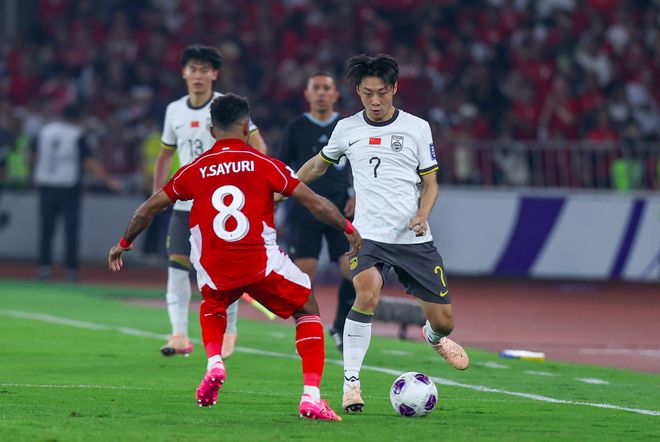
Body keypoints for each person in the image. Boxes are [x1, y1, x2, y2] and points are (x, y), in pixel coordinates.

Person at [109, 93, 360, 420]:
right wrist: (347, 227)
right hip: (260, 265)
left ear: (212, 131)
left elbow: (148, 209)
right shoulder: (266, 165)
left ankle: (214, 363)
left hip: (215, 267)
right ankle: (311, 396)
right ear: (246, 128)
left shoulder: (193, 169)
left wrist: (124, 242)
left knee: (213, 304)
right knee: (307, 309)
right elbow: (315, 202)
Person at [294, 54, 470, 414]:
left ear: (394, 88)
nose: (374, 101)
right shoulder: (346, 129)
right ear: (358, 92)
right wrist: (285, 186)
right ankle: (351, 385)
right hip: (368, 237)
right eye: (367, 93)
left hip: (412, 239)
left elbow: (431, 183)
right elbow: (317, 165)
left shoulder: (417, 128)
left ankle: (432, 336)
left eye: (381, 93)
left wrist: (422, 214)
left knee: (445, 322)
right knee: (366, 293)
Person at [153, 45, 268, 358]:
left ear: (215, 74)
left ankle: (229, 331)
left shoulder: (226, 106)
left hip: (222, 204)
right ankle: (178, 334)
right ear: (184, 73)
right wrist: (157, 194)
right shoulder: (174, 110)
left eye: (205, 69)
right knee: (177, 266)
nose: (198, 75)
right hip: (184, 204)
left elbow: (257, 143)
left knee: (225, 273)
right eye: (193, 69)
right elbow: (165, 155)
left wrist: (254, 182)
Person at [277, 72, 356, 352]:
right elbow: (282, 166)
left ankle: (339, 325)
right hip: (305, 209)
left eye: (326, 88)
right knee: (304, 274)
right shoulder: (296, 127)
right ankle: (309, 328)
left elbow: (361, 163)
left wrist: (356, 192)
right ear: (308, 95)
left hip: (340, 210)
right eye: (316, 88)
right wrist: (278, 196)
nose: (321, 93)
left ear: (335, 95)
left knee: (353, 271)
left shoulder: (346, 126)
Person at [32, 102, 122, 282]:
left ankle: (44, 268)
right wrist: (109, 182)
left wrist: (34, 174)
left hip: (46, 185)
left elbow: (32, 156)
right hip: (68, 187)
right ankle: (70, 269)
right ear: (78, 117)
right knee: (70, 230)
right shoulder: (77, 134)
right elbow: (89, 162)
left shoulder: (44, 131)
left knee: (46, 229)